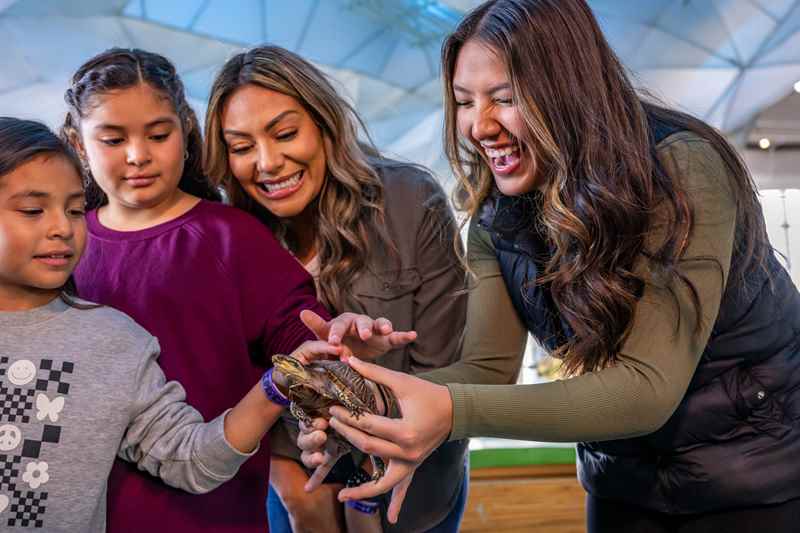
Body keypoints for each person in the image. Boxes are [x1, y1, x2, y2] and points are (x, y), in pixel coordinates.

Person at [297, 1, 800, 532]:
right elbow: (485, 372)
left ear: (570, 88)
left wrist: (448, 410)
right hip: (623, 478)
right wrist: (362, 398)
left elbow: (646, 388)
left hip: (756, 475)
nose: (478, 126)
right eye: (465, 102)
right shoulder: (496, 215)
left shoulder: (681, 168)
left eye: (505, 99)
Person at [61, 48, 413, 533]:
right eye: (112, 139)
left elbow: (299, 331)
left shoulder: (232, 235)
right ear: (80, 147)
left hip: (216, 507)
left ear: (186, 133)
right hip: (86, 510)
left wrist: (335, 339)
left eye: (158, 135)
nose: (137, 154)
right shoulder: (63, 246)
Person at [0, 116, 348, 532]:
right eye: (33, 210)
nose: (62, 228)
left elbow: (192, 459)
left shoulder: (114, 342)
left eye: (75, 210)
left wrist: (277, 385)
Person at [203, 45, 471, 533]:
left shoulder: (411, 201)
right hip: (292, 494)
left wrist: (358, 462)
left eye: (285, 134)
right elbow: (232, 382)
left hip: (411, 490)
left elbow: (449, 375)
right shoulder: (229, 235)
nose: (267, 163)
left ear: (325, 124)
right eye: (241, 147)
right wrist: (288, 480)